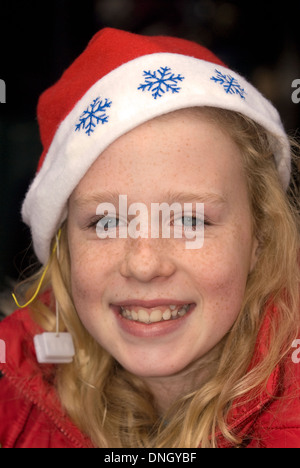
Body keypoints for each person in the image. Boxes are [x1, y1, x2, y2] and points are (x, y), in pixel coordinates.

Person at [0, 27, 299, 449]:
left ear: (260, 237)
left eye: (190, 220)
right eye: (106, 223)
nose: (143, 263)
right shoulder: (12, 400)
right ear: (63, 246)